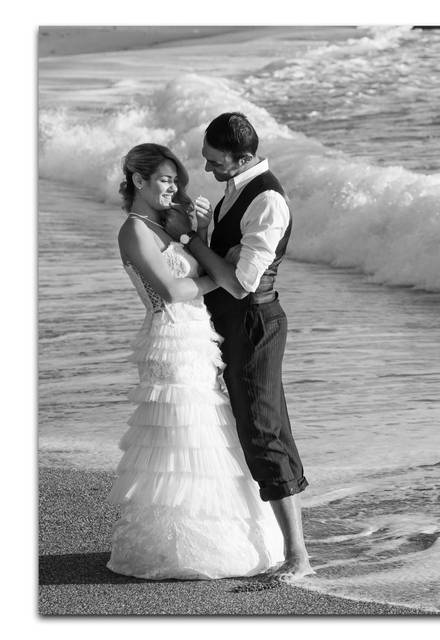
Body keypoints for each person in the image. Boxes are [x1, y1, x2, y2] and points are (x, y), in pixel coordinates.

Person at [109, 143, 284, 579]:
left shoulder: (164, 226)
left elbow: (205, 275)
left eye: (176, 181)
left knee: (205, 430)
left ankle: (218, 538)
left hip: (197, 338)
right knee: (178, 436)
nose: (174, 187)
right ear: (138, 181)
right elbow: (171, 290)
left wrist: (195, 236)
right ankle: (176, 547)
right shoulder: (134, 230)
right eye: (166, 180)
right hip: (169, 338)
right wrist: (215, 275)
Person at [165, 113, 313, 580]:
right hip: (233, 321)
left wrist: (190, 239)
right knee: (245, 426)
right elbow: (223, 266)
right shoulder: (236, 188)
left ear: (244, 156)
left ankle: (299, 558)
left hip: (253, 323)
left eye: (216, 163)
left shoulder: (266, 200)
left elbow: (242, 283)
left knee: (263, 430)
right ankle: (265, 540)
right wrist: (208, 241)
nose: (209, 171)